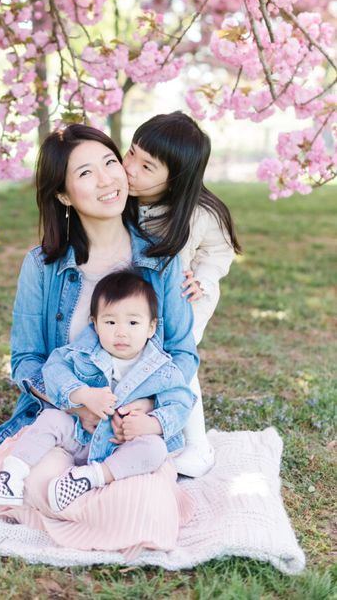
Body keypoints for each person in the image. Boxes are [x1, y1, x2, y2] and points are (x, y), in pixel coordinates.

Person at [0, 124, 197, 556]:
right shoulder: (43, 266)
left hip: (128, 434)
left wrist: (147, 410)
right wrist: (75, 401)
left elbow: (181, 354)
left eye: (110, 162)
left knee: (146, 512)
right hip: (62, 423)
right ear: (64, 195)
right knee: (43, 484)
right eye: (85, 173)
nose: (108, 179)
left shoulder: (162, 261)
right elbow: (27, 360)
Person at [0, 270, 194, 511]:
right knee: (51, 418)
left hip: (123, 445)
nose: (121, 331)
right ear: (95, 324)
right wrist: (82, 394)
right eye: (110, 322)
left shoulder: (162, 369)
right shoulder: (83, 355)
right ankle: (10, 477)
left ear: (151, 328)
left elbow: (181, 402)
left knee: (154, 450)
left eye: (133, 322)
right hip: (81, 436)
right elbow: (54, 370)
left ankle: (90, 477)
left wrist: (153, 424)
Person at [123, 111, 242, 477]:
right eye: (130, 154)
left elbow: (219, 252)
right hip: (138, 301)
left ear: (175, 179)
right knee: (137, 361)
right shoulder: (125, 199)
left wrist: (203, 281)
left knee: (178, 365)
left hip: (185, 300)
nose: (130, 168)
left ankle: (197, 446)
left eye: (146, 166)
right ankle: (145, 434)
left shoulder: (199, 213)